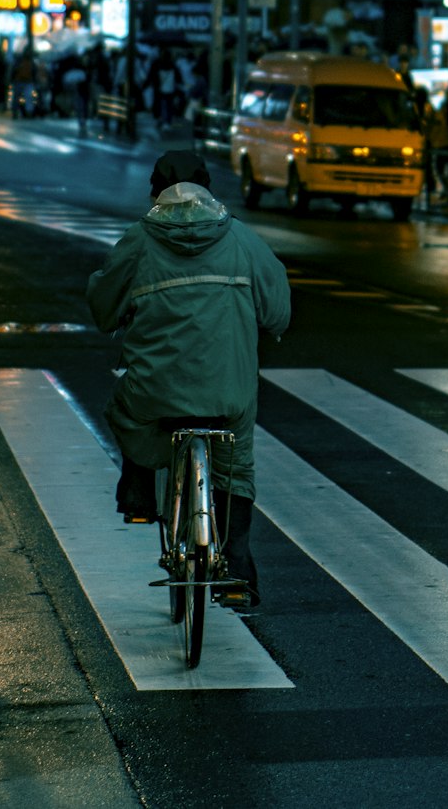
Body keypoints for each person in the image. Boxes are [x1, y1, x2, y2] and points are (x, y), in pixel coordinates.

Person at [86, 151, 290, 609]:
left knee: (126, 409)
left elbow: (103, 309)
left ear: (154, 192)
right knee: (236, 463)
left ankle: (139, 491)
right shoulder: (240, 238)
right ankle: (236, 563)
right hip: (229, 392)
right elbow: (278, 311)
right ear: (209, 188)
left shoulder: (139, 240)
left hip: (155, 393)